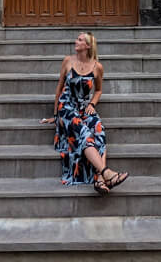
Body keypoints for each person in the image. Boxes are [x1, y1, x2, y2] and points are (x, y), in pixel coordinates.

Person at [40, 32, 129, 194]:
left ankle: (101, 180)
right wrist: (56, 115)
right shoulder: (67, 61)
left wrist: (92, 104)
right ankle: (106, 173)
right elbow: (59, 88)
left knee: (99, 131)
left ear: (88, 46)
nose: (76, 41)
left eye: (80, 40)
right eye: (77, 39)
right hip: (66, 107)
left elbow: (99, 90)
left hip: (84, 107)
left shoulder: (97, 67)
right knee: (85, 134)